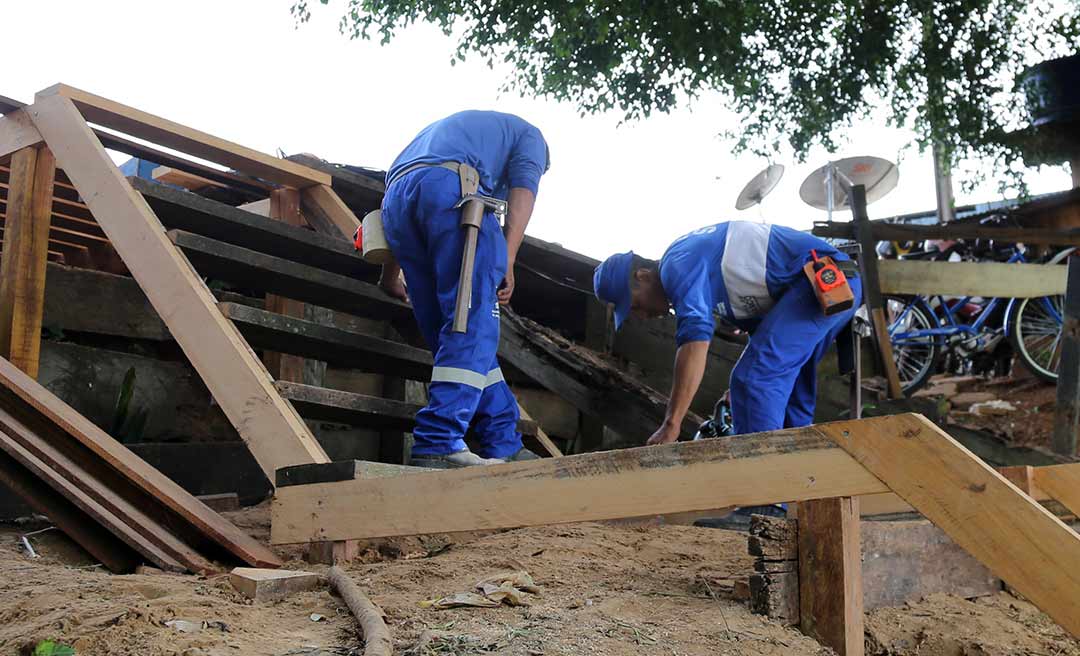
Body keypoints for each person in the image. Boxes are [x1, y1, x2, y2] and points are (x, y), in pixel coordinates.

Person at [377, 111, 551, 468]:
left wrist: (389, 274)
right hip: (454, 195)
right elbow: (524, 191)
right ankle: (438, 440)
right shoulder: (532, 139)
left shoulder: (447, 137)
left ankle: (502, 440)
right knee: (471, 324)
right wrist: (507, 257)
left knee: (455, 335)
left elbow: (413, 186)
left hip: (395, 204)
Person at [593, 221, 861, 446]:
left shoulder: (677, 265)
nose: (641, 315)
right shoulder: (708, 279)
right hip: (825, 284)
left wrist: (671, 423)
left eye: (634, 305)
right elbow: (767, 334)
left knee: (753, 380)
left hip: (824, 278)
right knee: (786, 398)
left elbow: (694, 341)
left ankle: (764, 488)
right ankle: (801, 481)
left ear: (642, 275)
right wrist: (735, 394)